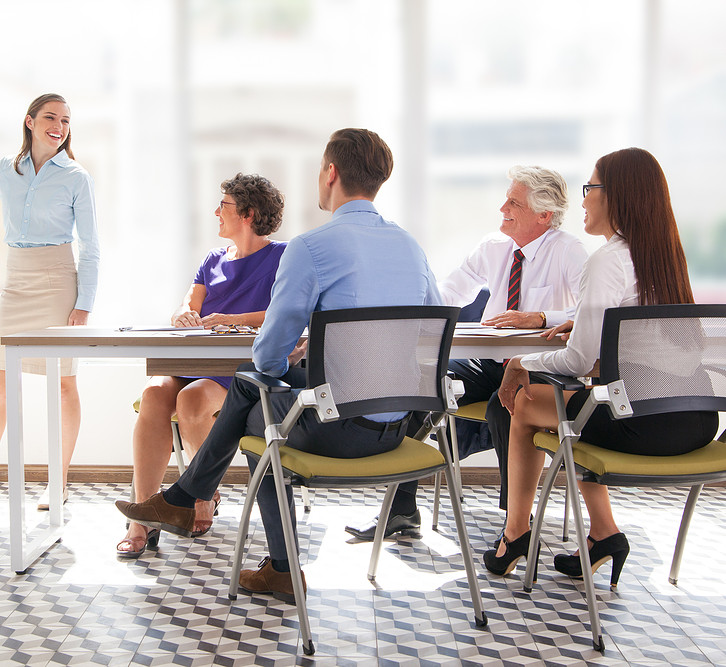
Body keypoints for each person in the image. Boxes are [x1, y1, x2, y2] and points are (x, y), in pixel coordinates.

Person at [115, 128, 440, 601]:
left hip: (336, 430)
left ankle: (218, 521)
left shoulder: (311, 247)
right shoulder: (410, 247)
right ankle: (190, 504)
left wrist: (298, 349)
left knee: (257, 401)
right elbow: (429, 333)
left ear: (331, 172)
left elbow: (268, 356)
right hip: (400, 429)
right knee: (254, 394)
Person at [483, 147, 718, 585]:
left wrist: (519, 361)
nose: (584, 199)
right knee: (578, 410)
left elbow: (577, 359)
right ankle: (603, 534)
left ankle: (515, 535)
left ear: (617, 196)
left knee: (524, 401)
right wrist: (591, 325)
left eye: (591, 188)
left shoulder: (608, 259)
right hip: (697, 421)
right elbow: (643, 341)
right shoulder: (665, 255)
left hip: (642, 424)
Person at [346, 166, 587, 541]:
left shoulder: (570, 251)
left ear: (544, 215)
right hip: (490, 364)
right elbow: (448, 295)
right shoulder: (494, 246)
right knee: (421, 383)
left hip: (540, 368)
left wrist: (541, 317)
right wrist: (403, 309)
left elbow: (592, 313)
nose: (502, 206)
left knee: (507, 405)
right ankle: (401, 510)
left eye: (514, 202)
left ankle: (516, 528)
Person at [116, 173, 286, 558]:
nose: (215, 212)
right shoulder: (212, 259)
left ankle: (200, 492)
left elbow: (285, 311)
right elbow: (187, 303)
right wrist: (183, 316)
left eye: (223, 205)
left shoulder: (281, 256)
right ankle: (142, 516)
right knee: (155, 394)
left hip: (235, 368)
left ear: (247, 213)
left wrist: (233, 318)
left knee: (192, 400)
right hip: (191, 358)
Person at [0, 93, 100, 509]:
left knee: (63, 385)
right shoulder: (5, 170)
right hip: (15, 282)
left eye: (66, 120)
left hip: (57, 282)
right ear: (29, 121)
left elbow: (92, 247)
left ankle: (58, 484)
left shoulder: (76, 177)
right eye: (51, 117)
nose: (59, 126)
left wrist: (84, 303)